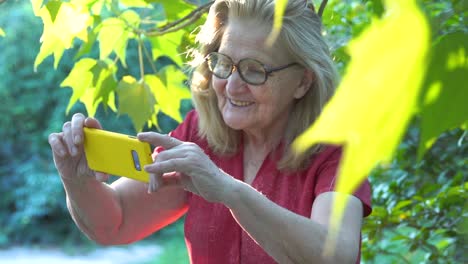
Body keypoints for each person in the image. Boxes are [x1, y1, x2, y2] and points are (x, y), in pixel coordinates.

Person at [48, 0, 372, 263]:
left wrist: (227, 190)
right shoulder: (200, 134)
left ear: (303, 81)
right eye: (223, 63)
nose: (231, 85)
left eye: (254, 70)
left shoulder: (336, 148)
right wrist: (76, 180)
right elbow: (115, 222)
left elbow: (337, 256)